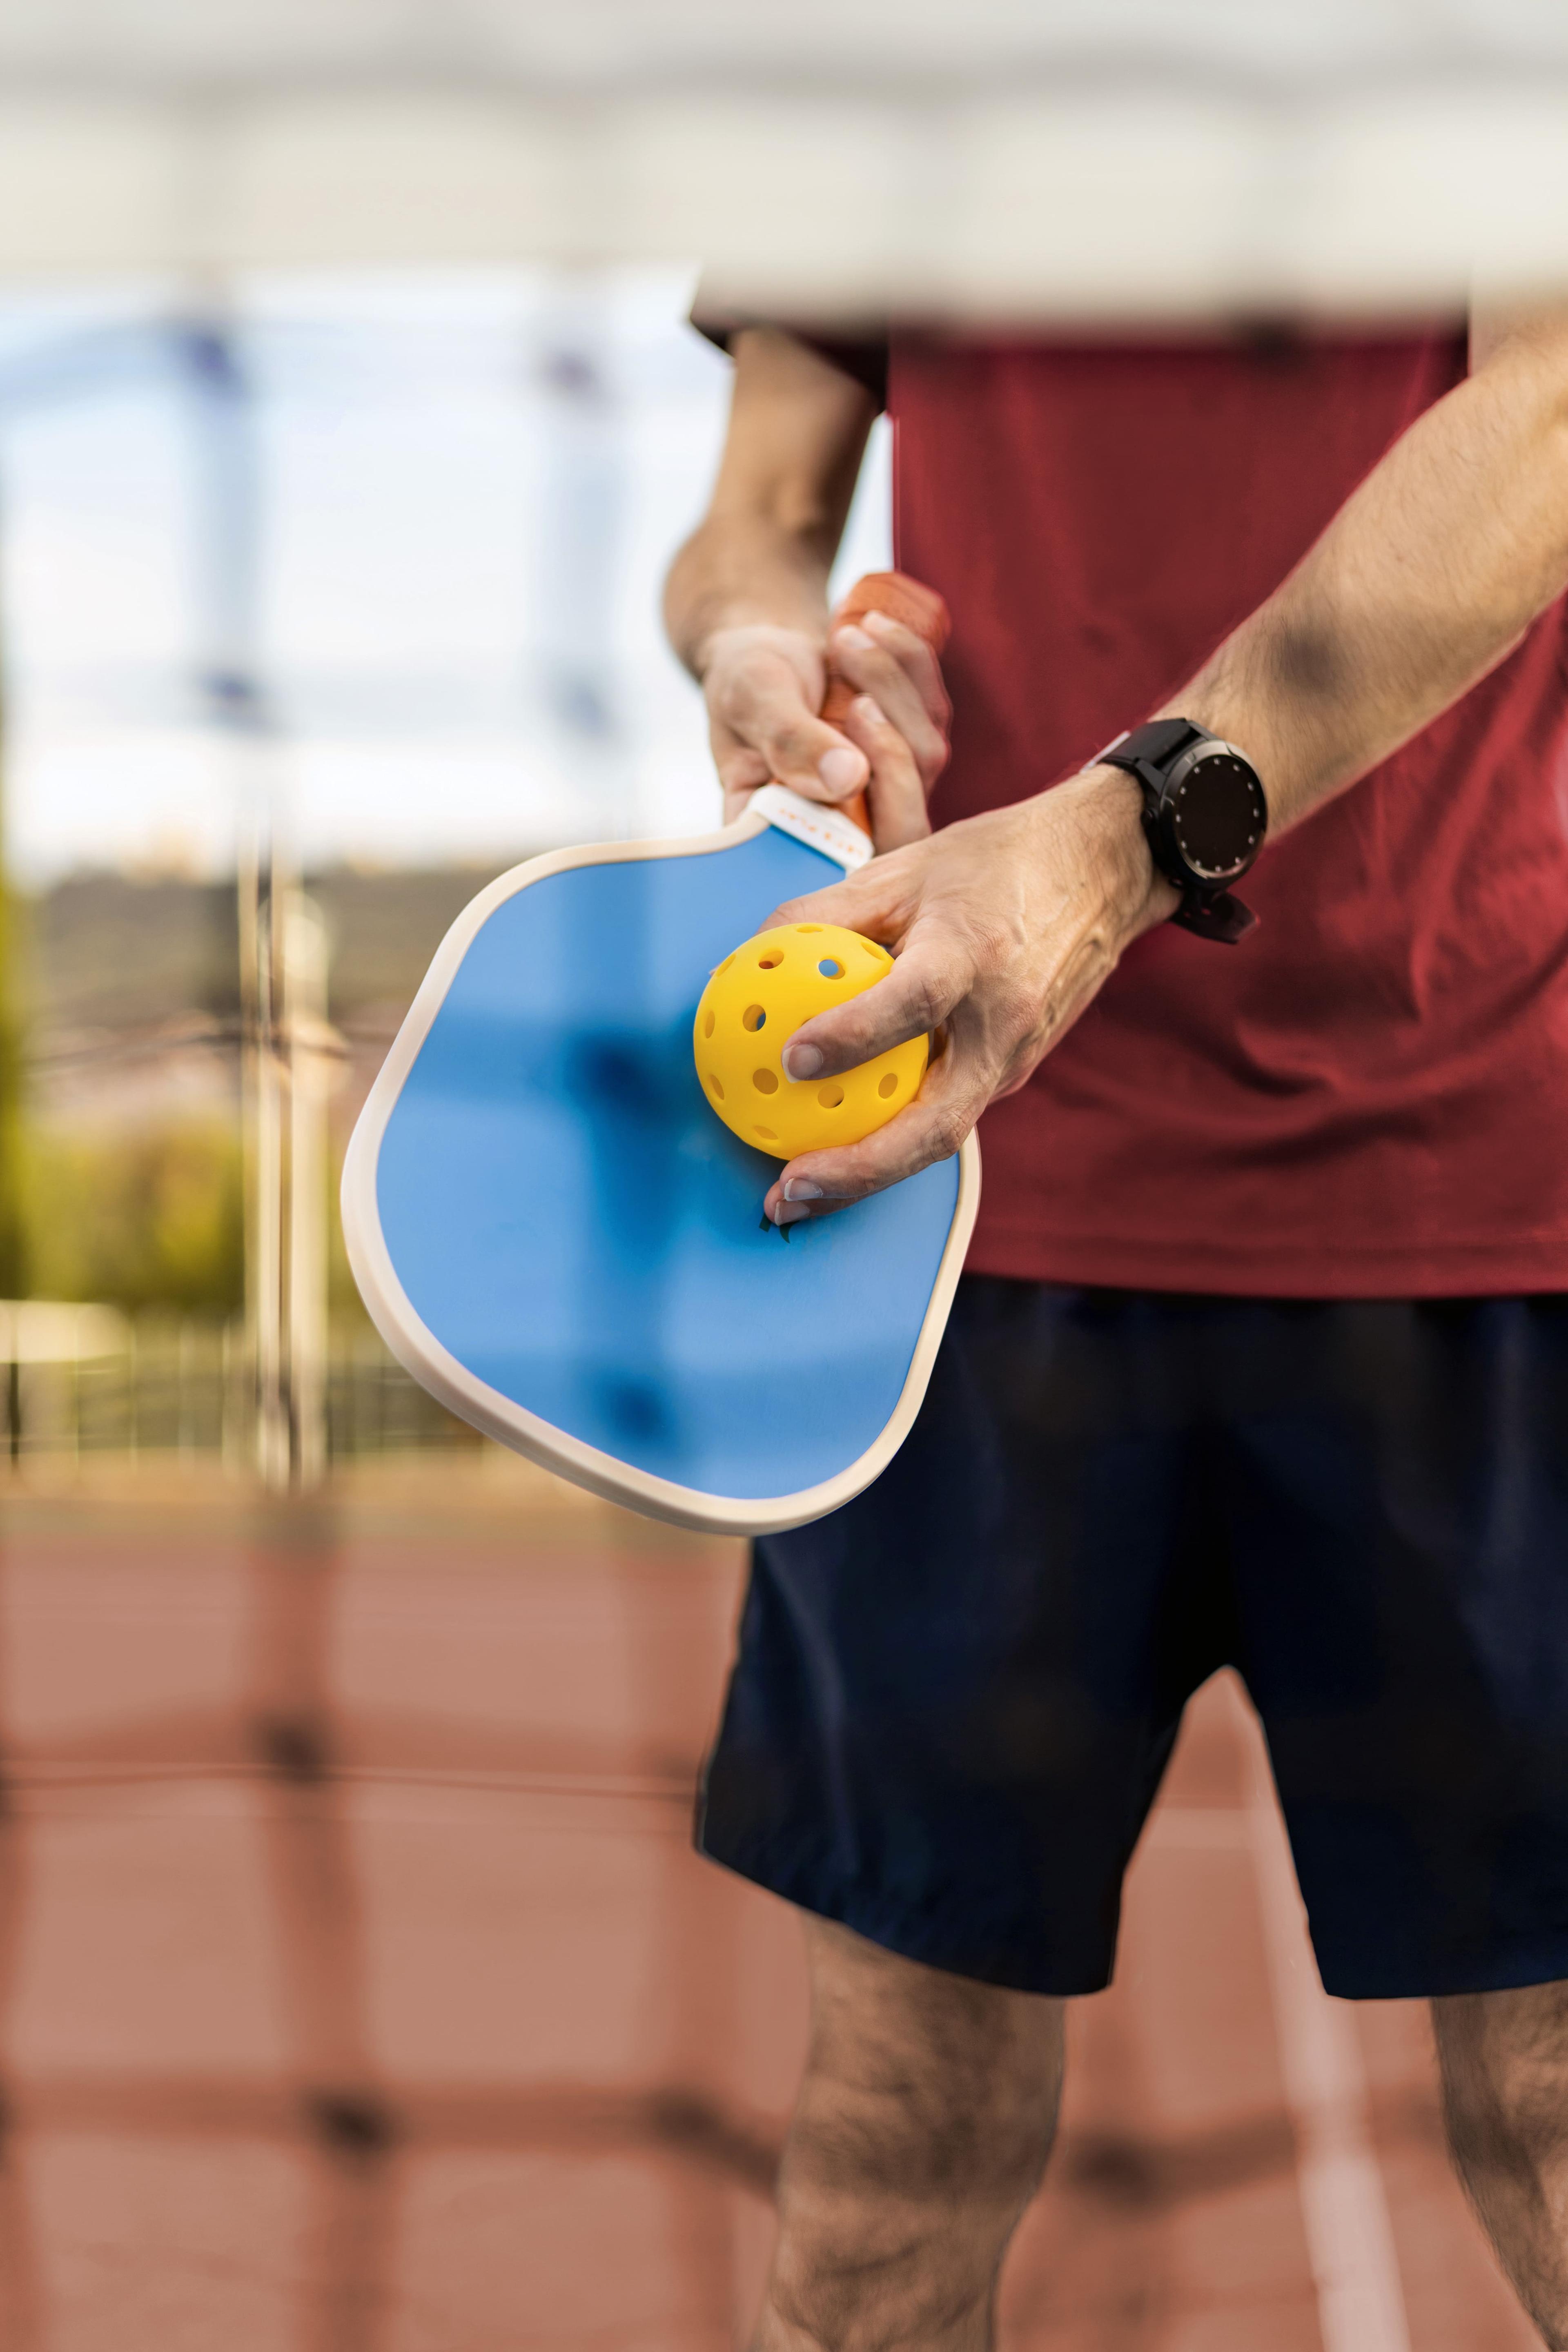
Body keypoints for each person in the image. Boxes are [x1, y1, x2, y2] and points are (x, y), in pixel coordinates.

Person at [663, 302, 1568, 2351]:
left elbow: (1552, 408)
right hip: (958, 1223)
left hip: (1491, 1197)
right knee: (897, 2146)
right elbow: (755, 519)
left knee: (1557, 2107)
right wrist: (756, 648)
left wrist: (1121, 829)